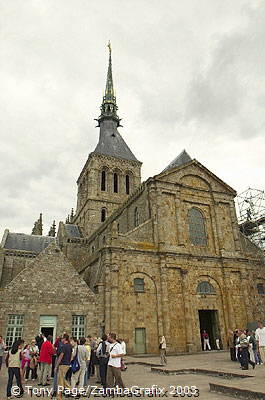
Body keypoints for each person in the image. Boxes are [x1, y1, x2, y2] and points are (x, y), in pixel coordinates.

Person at [55, 334, 72, 400]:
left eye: (62, 338)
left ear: (64, 339)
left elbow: (60, 356)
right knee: (62, 379)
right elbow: (71, 356)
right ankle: (70, 390)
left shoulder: (64, 346)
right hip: (67, 364)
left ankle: (59, 396)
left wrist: (56, 366)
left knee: (60, 380)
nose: (61, 340)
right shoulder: (70, 346)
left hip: (62, 364)